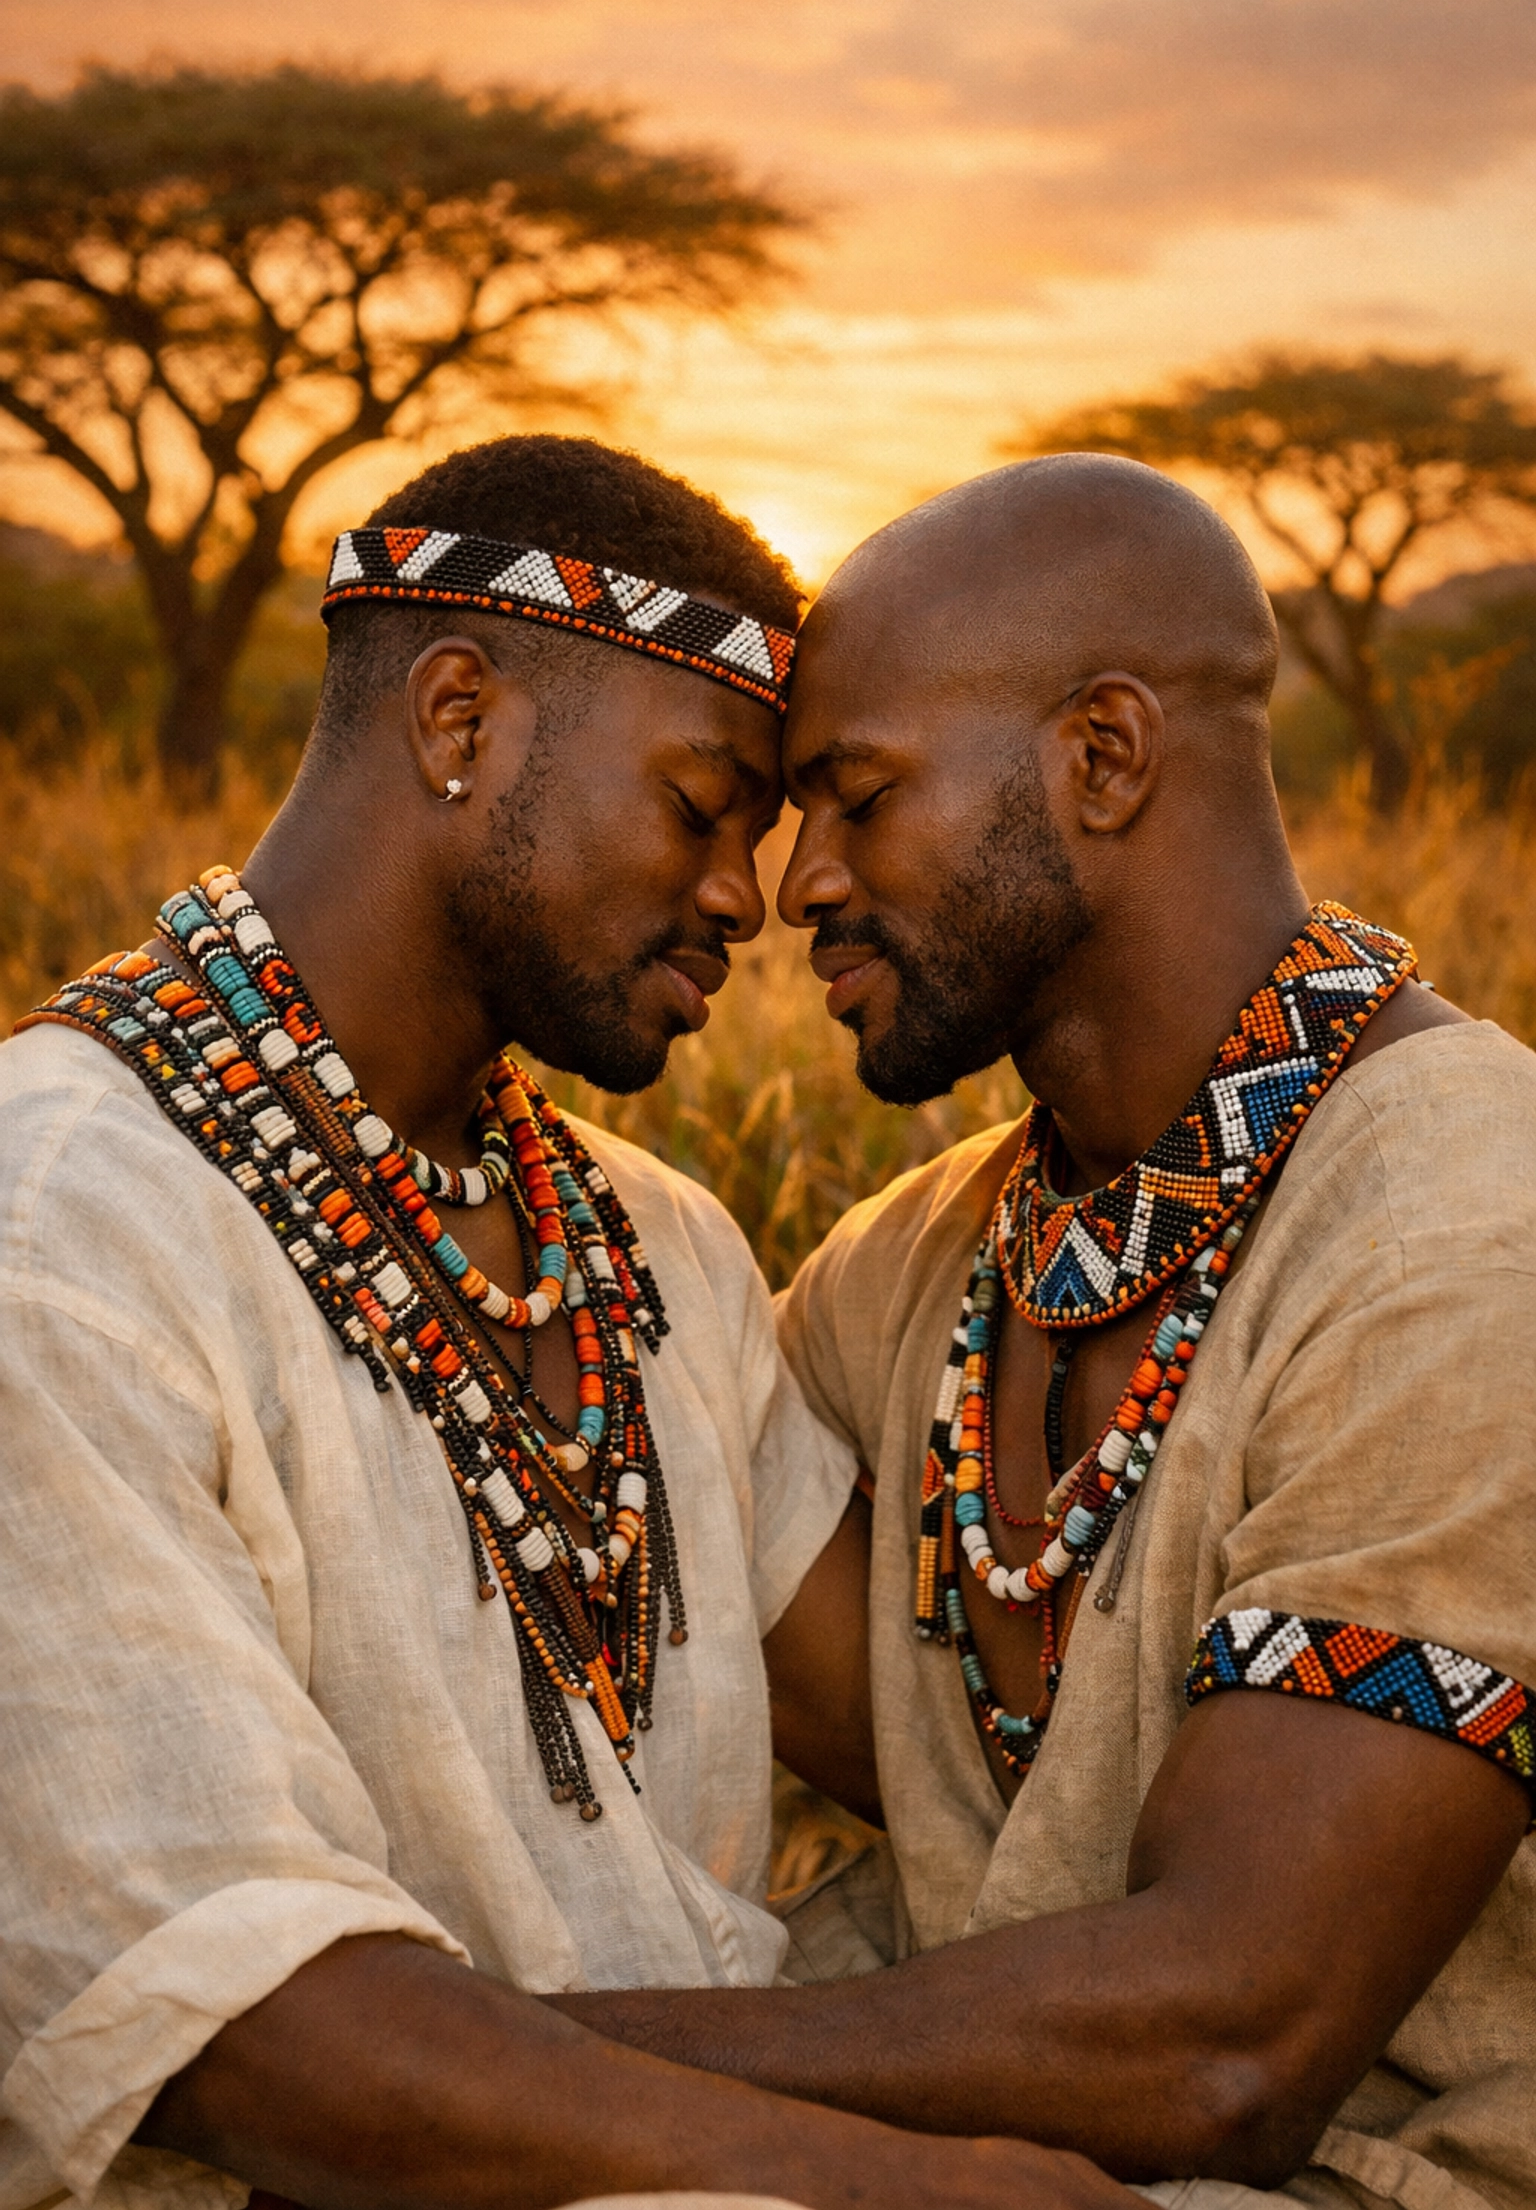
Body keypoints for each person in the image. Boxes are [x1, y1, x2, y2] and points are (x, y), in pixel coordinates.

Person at [0, 436, 1125, 2210]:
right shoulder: (61, 1231)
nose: (744, 900)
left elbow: (951, 1761)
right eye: (699, 806)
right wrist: (908, 2187)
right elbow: (237, 2026)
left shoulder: (653, 1248)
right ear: (460, 720)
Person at [554, 456, 1536, 2210]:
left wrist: (487, 2059)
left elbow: (1231, 2042)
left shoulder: (1467, 1218)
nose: (798, 888)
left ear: (1103, 756)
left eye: (858, 796)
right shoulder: (909, 1267)